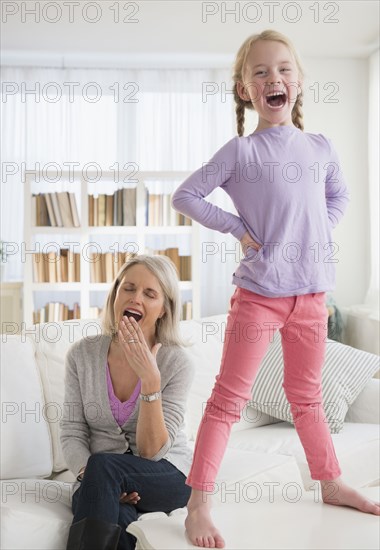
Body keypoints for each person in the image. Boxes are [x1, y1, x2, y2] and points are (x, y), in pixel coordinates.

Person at [171, 29, 380, 548]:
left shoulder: (319, 146)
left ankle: (329, 482)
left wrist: (318, 229)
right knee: (228, 399)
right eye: (260, 72)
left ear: (300, 82)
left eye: (283, 69)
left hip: (312, 295)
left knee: (306, 398)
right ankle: (198, 505)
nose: (273, 78)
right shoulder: (241, 152)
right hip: (260, 295)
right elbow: (186, 195)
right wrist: (239, 230)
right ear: (245, 90)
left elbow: (339, 195)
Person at [60, 254, 194, 550]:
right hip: (100, 475)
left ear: (163, 309)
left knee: (104, 470)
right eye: (129, 288)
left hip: (166, 474)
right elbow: (71, 432)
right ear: (116, 294)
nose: (136, 298)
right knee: (114, 508)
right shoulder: (82, 355)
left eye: (150, 293)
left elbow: (151, 452)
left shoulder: (177, 362)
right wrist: (95, 479)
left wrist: (151, 381)